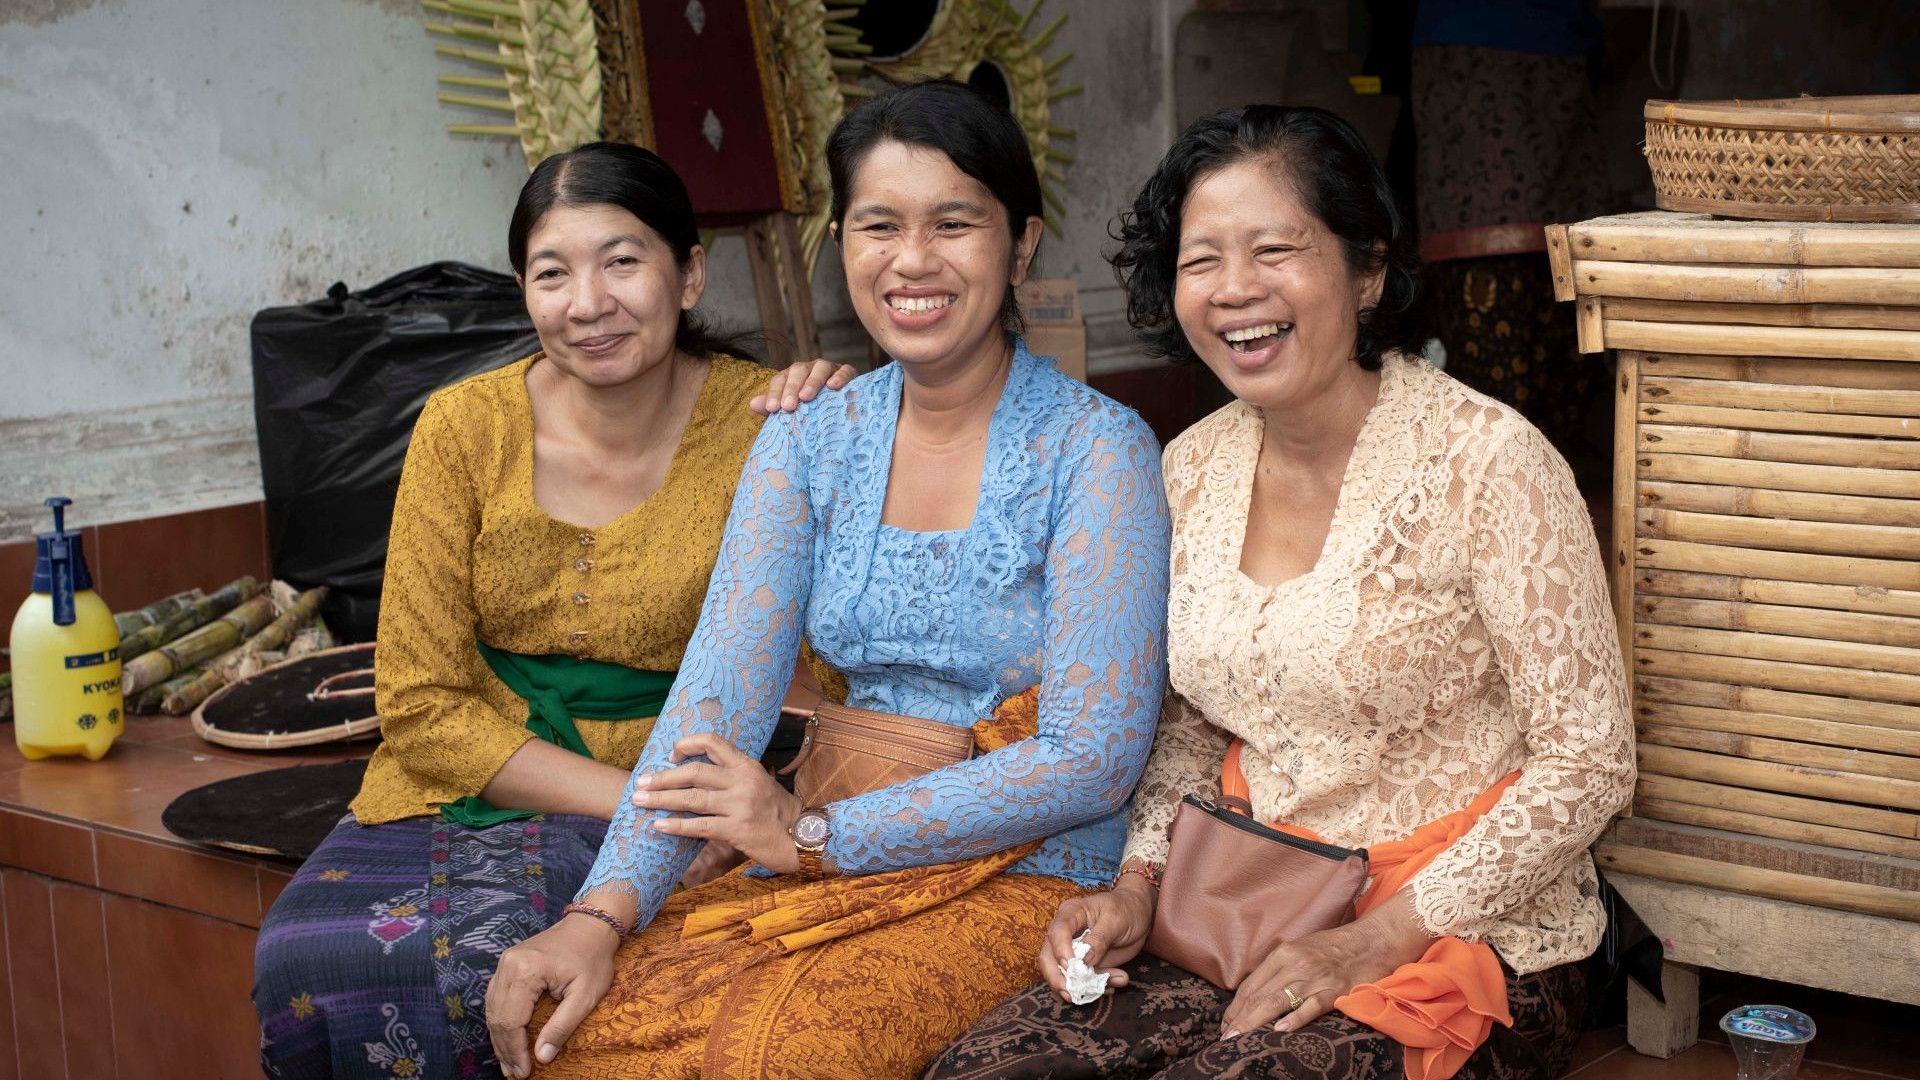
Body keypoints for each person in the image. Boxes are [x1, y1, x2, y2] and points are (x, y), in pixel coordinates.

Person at [925, 105, 1633, 1080]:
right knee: (984, 1072)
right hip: (1245, 905)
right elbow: (1187, 728)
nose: (1234, 290)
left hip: (1463, 934)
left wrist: (1373, 938)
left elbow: (1590, 763)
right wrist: (1135, 889)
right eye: (1201, 258)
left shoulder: (1489, 462)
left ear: (1369, 269)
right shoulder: (1189, 471)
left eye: (1275, 249)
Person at [481, 80, 1171, 1080]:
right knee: (588, 1027)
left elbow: (1093, 758)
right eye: (879, 225)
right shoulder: (808, 439)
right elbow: (712, 705)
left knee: (782, 1057)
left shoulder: (1098, 451)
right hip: (821, 847)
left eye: (954, 224)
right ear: (840, 241)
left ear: (1019, 245)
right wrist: (599, 913)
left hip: (1027, 868)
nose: (913, 261)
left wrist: (811, 832)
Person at [252, 141, 853, 1080]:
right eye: (551, 273)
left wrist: (862, 442)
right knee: (313, 957)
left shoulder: (771, 427)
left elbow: (852, 658)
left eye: (622, 261)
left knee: (567, 977)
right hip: (486, 779)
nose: (587, 303)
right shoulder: (462, 429)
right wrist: (646, 810)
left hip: (690, 770)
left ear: (689, 274)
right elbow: (417, 701)